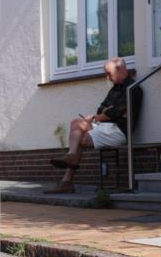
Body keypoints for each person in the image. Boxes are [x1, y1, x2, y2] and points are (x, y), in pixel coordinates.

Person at [44, 57, 140, 194]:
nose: (107, 77)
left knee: (80, 139)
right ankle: (71, 157)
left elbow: (114, 113)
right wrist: (106, 112)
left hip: (118, 131)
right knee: (76, 123)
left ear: (120, 69)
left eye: (109, 73)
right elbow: (102, 109)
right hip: (105, 127)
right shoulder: (114, 89)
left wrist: (102, 115)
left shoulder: (133, 89)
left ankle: (67, 181)